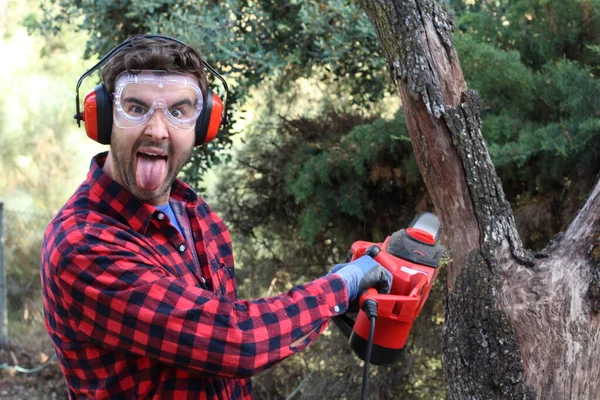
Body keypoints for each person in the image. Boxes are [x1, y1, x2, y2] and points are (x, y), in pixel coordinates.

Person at [41, 35, 391, 399]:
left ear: (204, 124)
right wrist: (338, 287)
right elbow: (233, 342)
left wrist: (333, 292)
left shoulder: (195, 213)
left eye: (178, 111)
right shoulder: (81, 243)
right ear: (102, 118)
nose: (157, 130)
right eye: (135, 108)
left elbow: (224, 343)